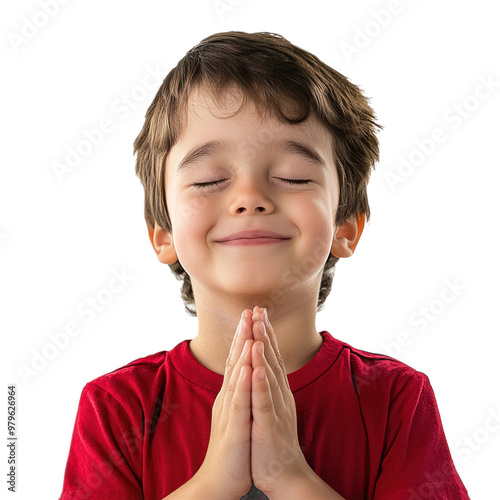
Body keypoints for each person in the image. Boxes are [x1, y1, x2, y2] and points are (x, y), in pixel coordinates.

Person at [58, 31, 470, 500]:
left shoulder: (396, 400)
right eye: (211, 179)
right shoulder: (116, 408)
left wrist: (291, 477)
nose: (250, 198)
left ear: (347, 225)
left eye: (292, 177)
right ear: (163, 233)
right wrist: (214, 483)